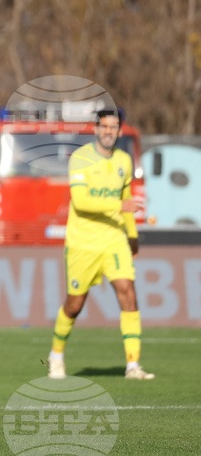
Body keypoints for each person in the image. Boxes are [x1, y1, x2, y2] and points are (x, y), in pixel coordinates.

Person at [47, 109, 154, 380]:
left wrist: (131, 235)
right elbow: (82, 203)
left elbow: (127, 197)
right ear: (96, 129)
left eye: (114, 127)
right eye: (104, 127)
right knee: (75, 304)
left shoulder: (124, 160)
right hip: (83, 243)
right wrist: (120, 205)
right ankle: (56, 354)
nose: (109, 132)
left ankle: (133, 365)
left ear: (120, 131)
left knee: (127, 291)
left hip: (114, 239)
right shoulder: (81, 158)